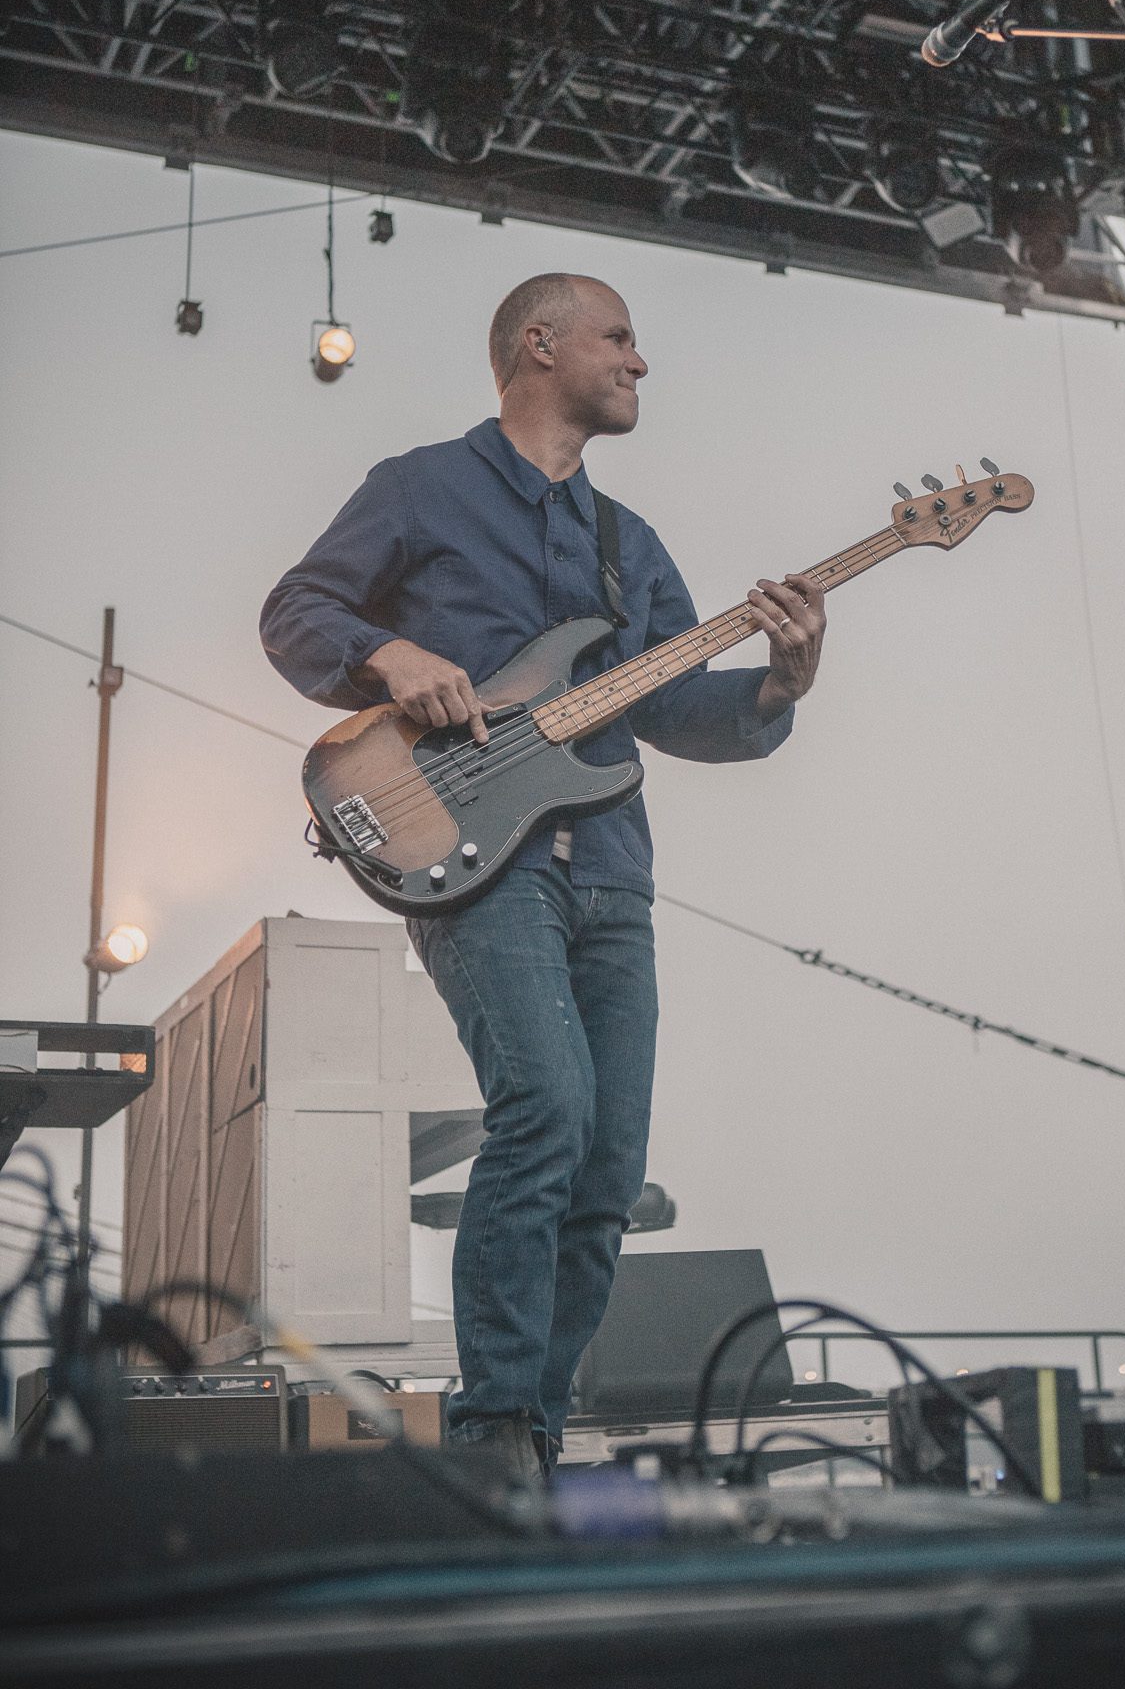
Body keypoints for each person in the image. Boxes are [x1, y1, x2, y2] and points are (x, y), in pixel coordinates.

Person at [260, 272, 826, 1480]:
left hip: (612, 871)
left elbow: (677, 706)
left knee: (610, 1165)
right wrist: (390, 650)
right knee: (549, 1107)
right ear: (539, 342)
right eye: (619, 337)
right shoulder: (422, 487)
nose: (638, 361)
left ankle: (541, 1431)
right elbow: (296, 611)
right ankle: (493, 1433)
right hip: (473, 858)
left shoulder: (634, 546)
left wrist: (780, 683)